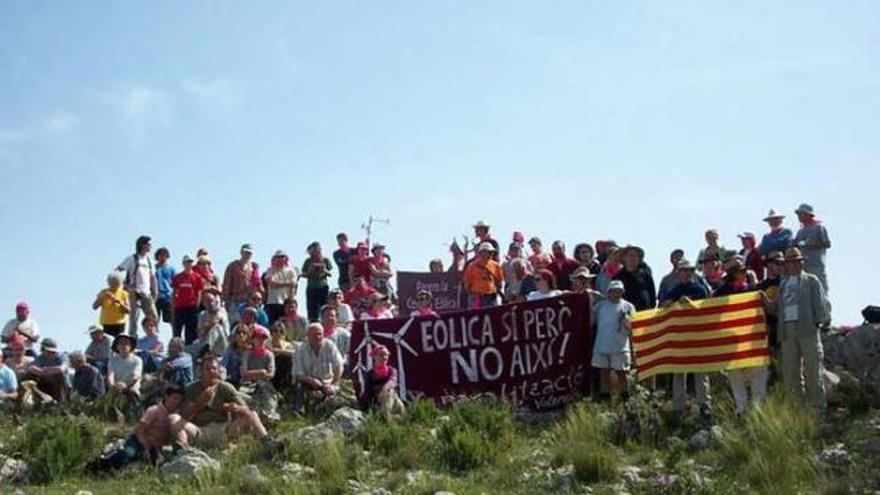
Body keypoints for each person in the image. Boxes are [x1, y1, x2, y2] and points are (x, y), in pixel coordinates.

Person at [170, 357, 278, 450]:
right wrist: (199, 403)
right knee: (173, 418)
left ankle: (267, 443)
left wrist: (235, 408)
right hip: (200, 431)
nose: (211, 371)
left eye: (214, 368)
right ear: (201, 371)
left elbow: (246, 409)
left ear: (218, 371)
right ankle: (183, 450)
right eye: (207, 369)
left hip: (224, 430)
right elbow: (184, 416)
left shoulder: (225, 387)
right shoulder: (191, 389)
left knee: (252, 414)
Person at [769, 247, 829, 411]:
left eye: (797, 261)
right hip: (787, 330)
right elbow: (775, 309)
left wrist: (817, 323)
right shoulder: (783, 284)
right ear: (786, 265)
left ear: (802, 262)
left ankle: (817, 408)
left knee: (813, 369)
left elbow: (820, 306)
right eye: (791, 262)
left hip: (807, 328)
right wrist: (763, 299)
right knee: (791, 372)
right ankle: (797, 409)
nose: (794, 264)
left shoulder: (811, 280)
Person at [87, 386, 187, 473]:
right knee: (127, 454)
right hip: (139, 441)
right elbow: (139, 429)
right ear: (166, 397)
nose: (176, 402)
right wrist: (145, 447)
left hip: (155, 447)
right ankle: (96, 466)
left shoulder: (176, 415)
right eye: (174, 398)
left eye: (179, 399)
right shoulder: (154, 410)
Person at [713, 259, 767, 416]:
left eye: (744, 271)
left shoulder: (751, 290)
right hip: (731, 341)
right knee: (735, 375)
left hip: (751, 340)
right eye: (740, 271)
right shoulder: (721, 293)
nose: (744, 274)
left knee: (758, 371)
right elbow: (712, 311)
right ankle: (741, 409)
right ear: (732, 274)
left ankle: (757, 409)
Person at [660, 260, 712, 417]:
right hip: (680, 338)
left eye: (690, 270)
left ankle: (705, 405)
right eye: (684, 270)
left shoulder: (699, 289)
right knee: (678, 372)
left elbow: (706, 309)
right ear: (679, 272)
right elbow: (663, 306)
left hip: (697, 336)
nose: (687, 273)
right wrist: (671, 303)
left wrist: (690, 304)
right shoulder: (675, 289)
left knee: (700, 371)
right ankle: (678, 407)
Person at [591, 280, 635, 400]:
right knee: (603, 373)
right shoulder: (600, 306)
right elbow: (590, 321)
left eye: (619, 291)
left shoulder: (628, 306)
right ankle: (605, 401)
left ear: (622, 292)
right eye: (613, 291)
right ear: (608, 292)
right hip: (601, 345)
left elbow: (634, 327)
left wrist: (627, 320)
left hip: (620, 347)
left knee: (621, 373)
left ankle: (626, 399)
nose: (616, 294)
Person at [291, 323, 344, 415]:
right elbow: (297, 374)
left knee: (332, 398)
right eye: (314, 335)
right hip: (308, 382)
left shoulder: (330, 345)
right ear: (307, 336)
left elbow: (339, 366)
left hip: (328, 382)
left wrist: (333, 384)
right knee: (299, 386)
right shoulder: (300, 350)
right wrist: (312, 380)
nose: (318, 337)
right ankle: (297, 411)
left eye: (320, 334)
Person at [117, 235, 158, 337]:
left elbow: (153, 277)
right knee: (133, 319)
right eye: (148, 244)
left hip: (146, 293)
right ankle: (133, 341)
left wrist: (155, 291)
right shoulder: (132, 258)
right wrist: (126, 286)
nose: (150, 246)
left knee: (154, 317)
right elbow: (118, 271)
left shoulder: (149, 261)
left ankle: (154, 339)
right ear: (143, 245)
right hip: (133, 292)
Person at [240, 326, 279, 421]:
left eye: (263, 338)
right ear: (253, 339)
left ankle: (269, 419)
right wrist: (261, 372)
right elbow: (243, 373)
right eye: (258, 337)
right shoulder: (247, 353)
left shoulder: (269, 354)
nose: (260, 340)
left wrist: (253, 373)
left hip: (265, 385)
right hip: (247, 386)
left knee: (269, 402)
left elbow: (271, 374)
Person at [792, 203, 832, 293]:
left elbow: (827, 243)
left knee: (820, 290)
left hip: (816, 264)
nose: (798, 216)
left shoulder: (819, 228)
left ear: (808, 215)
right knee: (807, 292)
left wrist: (809, 244)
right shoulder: (800, 231)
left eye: (800, 214)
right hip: (803, 267)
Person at [359, 344, 405, 415]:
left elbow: (392, 381)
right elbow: (368, 392)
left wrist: (385, 389)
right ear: (374, 357)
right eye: (381, 355)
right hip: (376, 401)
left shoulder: (392, 370)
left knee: (394, 399)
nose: (384, 357)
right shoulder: (370, 374)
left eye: (386, 355)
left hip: (391, 397)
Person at [221, 244, 262, 323]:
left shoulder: (253, 267)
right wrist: (227, 301)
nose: (247, 255)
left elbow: (257, 285)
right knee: (234, 324)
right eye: (246, 252)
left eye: (249, 253)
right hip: (234, 301)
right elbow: (226, 284)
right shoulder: (232, 266)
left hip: (249, 302)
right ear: (241, 252)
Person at [170, 255, 204, 344]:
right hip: (179, 307)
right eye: (187, 262)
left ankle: (189, 350)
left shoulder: (197, 277)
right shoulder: (178, 277)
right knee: (177, 332)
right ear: (183, 263)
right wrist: (173, 307)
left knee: (190, 333)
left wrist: (197, 305)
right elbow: (174, 293)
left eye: (190, 262)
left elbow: (199, 292)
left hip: (191, 307)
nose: (189, 264)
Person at [757, 251, 785, 358]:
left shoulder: (788, 282)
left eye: (782, 263)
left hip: (785, 328)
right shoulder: (760, 286)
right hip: (768, 329)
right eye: (776, 263)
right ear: (768, 264)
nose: (780, 266)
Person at [615, 245, 656, 311]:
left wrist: (652, 307)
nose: (633, 258)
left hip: (644, 313)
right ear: (624, 258)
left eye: (636, 256)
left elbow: (652, 292)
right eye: (630, 255)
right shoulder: (618, 277)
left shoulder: (645, 274)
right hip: (625, 313)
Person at [25, 338, 67, 402]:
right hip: (45, 383)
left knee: (59, 375)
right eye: (48, 351)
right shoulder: (40, 358)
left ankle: (63, 401)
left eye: (52, 352)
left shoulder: (62, 356)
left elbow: (61, 369)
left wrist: (44, 370)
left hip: (59, 386)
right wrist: (43, 372)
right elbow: (31, 368)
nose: (50, 353)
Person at [463, 242, 504, 308]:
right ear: (481, 253)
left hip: (491, 298)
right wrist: (474, 295)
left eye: (492, 252)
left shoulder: (496, 266)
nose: (491, 254)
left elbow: (499, 282)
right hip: (477, 297)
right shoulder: (472, 267)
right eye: (489, 252)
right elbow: (467, 284)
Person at [108, 335, 143, 409]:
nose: (123, 346)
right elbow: (111, 375)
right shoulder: (112, 360)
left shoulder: (137, 360)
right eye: (120, 343)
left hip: (131, 387)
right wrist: (112, 385)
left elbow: (136, 376)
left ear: (131, 346)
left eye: (126, 343)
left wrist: (125, 386)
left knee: (133, 392)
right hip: (116, 387)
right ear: (117, 346)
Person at [264, 250, 298, 326]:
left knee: (285, 325)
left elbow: (293, 284)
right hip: (272, 302)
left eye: (282, 257)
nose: (280, 259)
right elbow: (270, 283)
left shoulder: (291, 271)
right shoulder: (270, 270)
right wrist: (287, 284)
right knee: (272, 325)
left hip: (286, 304)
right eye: (278, 257)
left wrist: (278, 284)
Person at [301, 241, 333, 322]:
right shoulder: (308, 261)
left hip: (323, 286)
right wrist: (310, 271)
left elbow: (330, 273)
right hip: (311, 287)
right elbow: (303, 274)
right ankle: (313, 322)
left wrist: (324, 270)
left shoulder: (325, 260)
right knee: (312, 309)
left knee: (324, 306)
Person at [92, 272, 130, 338]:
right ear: (109, 283)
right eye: (113, 283)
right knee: (107, 343)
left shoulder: (124, 293)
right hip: (105, 323)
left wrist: (119, 303)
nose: (115, 285)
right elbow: (94, 307)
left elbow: (128, 310)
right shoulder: (103, 292)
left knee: (118, 343)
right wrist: (101, 298)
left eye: (117, 283)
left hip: (119, 323)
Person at [194, 292, 229, 359]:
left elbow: (226, 332)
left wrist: (211, 325)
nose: (211, 304)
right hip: (205, 340)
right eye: (208, 302)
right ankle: (207, 348)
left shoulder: (222, 313)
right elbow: (201, 333)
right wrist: (210, 325)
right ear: (204, 304)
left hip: (221, 343)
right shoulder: (202, 315)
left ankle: (208, 347)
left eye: (212, 301)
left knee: (217, 327)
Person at [269, 320, 296, 392]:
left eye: (281, 331)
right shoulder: (267, 342)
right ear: (271, 332)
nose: (278, 333)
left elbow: (294, 354)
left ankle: (286, 386)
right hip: (269, 366)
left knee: (286, 358)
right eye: (275, 331)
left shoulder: (287, 344)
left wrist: (279, 351)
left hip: (282, 369)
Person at [154, 247, 176, 329]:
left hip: (167, 296)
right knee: (154, 319)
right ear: (157, 256)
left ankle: (175, 337)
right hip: (155, 297)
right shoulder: (153, 268)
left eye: (165, 255)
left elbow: (175, 282)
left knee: (171, 319)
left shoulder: (171, 269)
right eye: (160, 255)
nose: (163, 257)